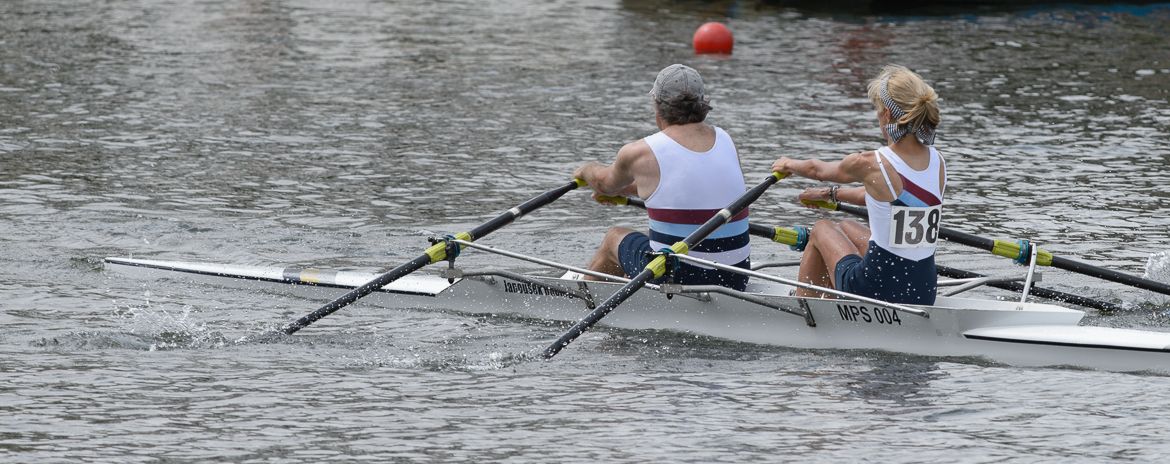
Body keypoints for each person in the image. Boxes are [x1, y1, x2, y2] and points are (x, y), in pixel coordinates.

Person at [771, 64, 945, 305]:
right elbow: (887, 199)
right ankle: (832, 295)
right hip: (923, 291)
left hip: (876, 290)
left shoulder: (871, 162)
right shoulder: (937, 161)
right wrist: (831, 195)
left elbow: (816, 170)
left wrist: (787, 163)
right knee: (846, 225)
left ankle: (804, 311)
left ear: (886, 114)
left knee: (822, 228)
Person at [572, 64, 751, 291]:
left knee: (613, 238)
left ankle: (581, 299)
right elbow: (686, 190)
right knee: (654, 233)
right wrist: (626, 190)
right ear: (703, 103)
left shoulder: (641, 152)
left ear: (657, 106)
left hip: (678, 276)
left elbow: (602, 183)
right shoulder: (726, 139)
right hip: (736, 276)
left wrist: (585, 170)